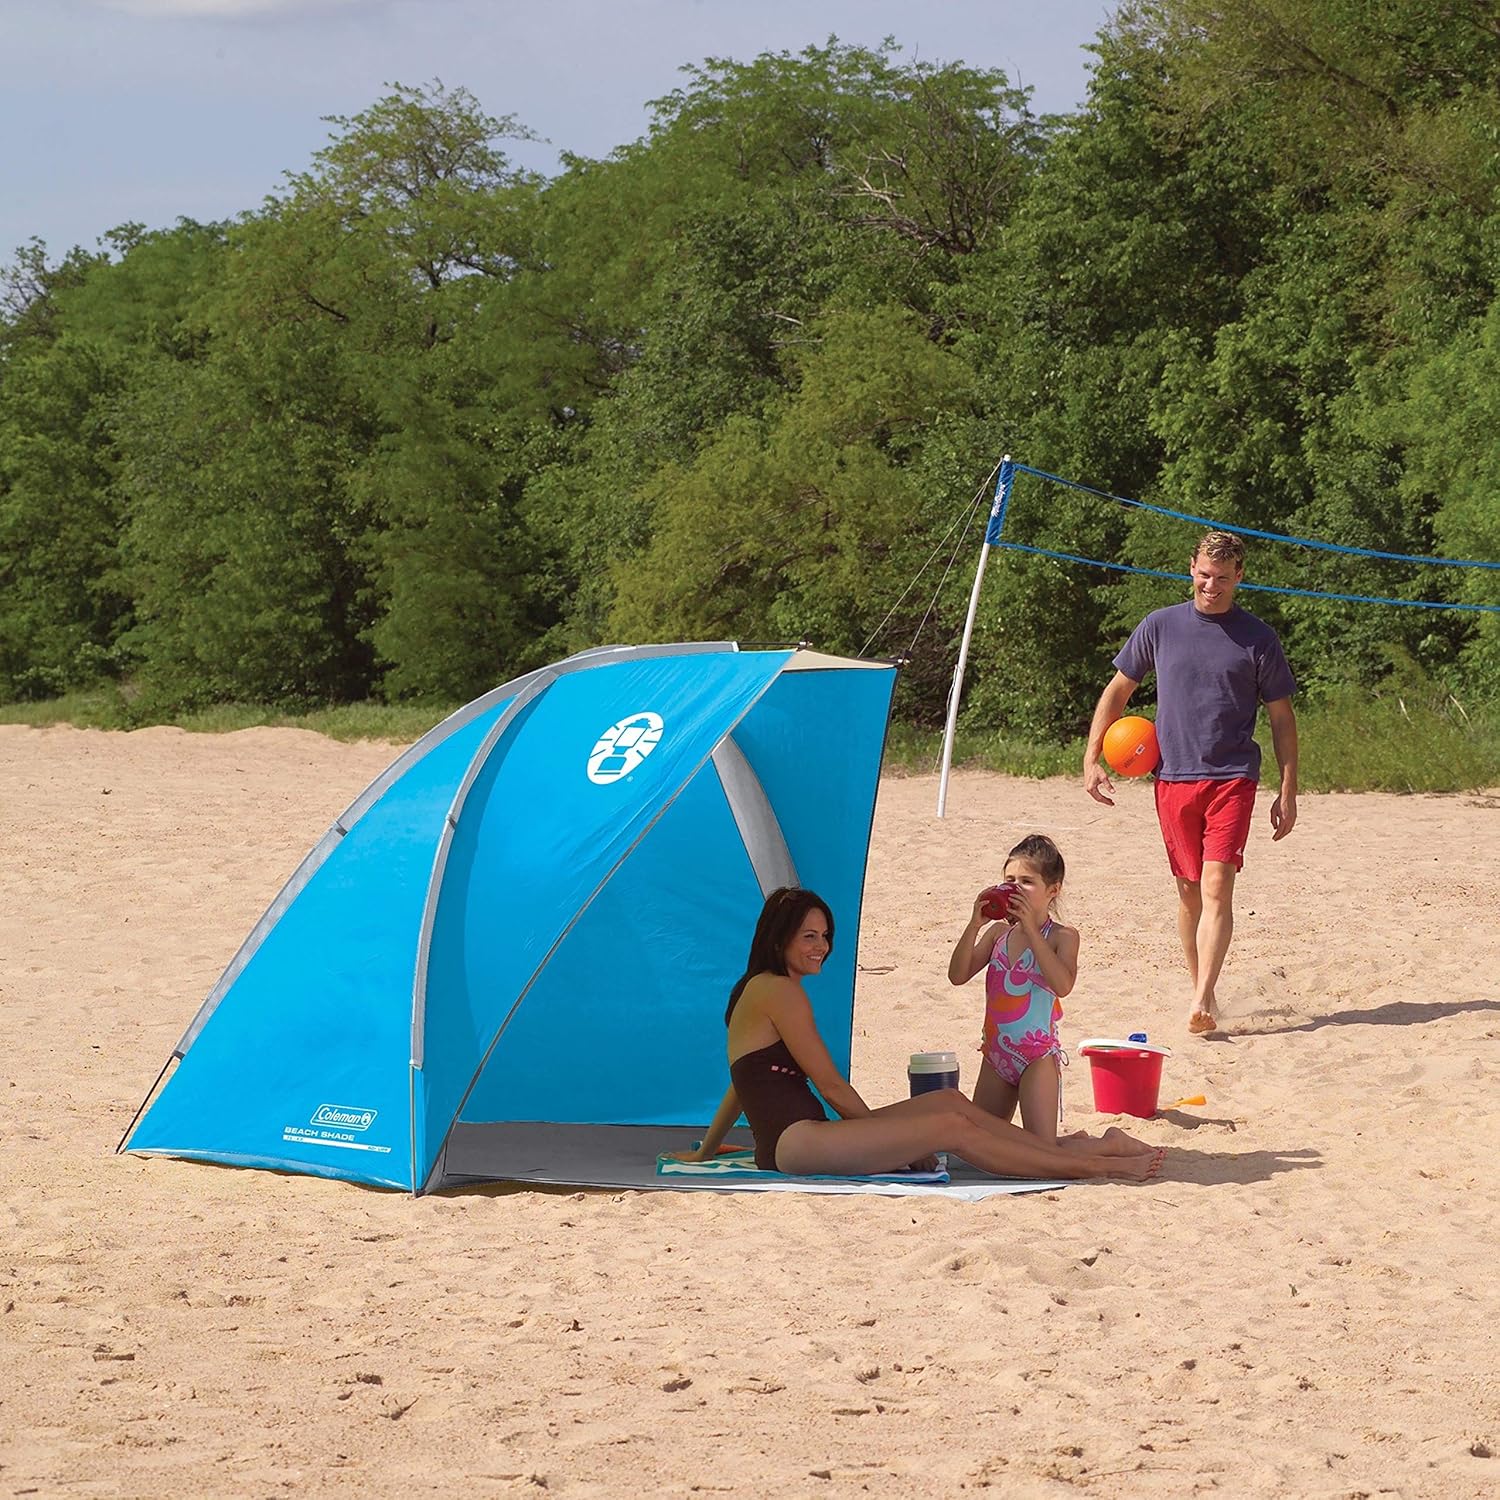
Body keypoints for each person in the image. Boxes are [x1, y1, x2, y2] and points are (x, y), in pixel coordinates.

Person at [669, 887, 1163, 1182]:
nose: (822, 947)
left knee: (949, 1106)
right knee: (948, 1128)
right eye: (809, 937)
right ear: (779, 940)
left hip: (798, 1138)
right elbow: (834, 1087)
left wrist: (706, 1149)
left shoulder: (756, 990)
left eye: (825, 936)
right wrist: (897, 1146)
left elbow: (741, 1081)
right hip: (796, 1145)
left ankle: (1094, 1147)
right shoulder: (780, 992)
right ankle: (1097, 1166)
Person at [1083, 530, 1298, 1036]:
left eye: (1223, 578)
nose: (1212, 585)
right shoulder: (1159, 626)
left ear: (1239, 577)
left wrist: (1288, 789)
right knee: (1188, 891)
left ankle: (1201, 999)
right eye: (1204, 575)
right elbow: (1117, 691)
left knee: (1218, 885)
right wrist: (1092, 757)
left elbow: (1282, 718)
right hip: (1173, 777)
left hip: (1233, 777)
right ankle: (1204, 987)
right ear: (1191, 569)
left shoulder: (1258, 638)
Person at [948, 834, 1076, 1142]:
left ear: (1053, 890)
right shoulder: (998, 935)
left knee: (1040, 1150)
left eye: (1027, 882)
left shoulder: (1062, 936)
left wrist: (1031, 929)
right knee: (982, 1146)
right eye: (1010, 879)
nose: (1016, 888)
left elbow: (1063, 984)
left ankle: (1110, 1143)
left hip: (1036, 1058)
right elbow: (957, 975)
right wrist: (974, 924)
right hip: (996, 1055)